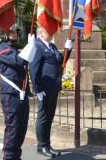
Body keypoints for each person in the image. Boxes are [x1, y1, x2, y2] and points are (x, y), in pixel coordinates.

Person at [29, 26, 72, 158]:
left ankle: (47, 144)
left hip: (53, 87)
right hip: (44, 89)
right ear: (41, 33)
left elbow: (60, 61)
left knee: (49, 117)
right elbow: (33, 68)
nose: (51, 32)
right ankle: (41, 146)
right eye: (48, 30)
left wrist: (68, 49)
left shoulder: (51, 46)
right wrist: (38, 89)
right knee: (43, 118)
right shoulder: (37, 45)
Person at [0, 25, 30, 160]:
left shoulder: (16, 48)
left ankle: (16, 156)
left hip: (22, 92)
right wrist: (30, 47)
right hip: (10, 93)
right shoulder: (2, 49)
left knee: (22, 127)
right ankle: (9, 157)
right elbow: (19, 60)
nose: (14, 34)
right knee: (13, 128)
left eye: (15, 31)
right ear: (4, 34)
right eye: (11, 32)